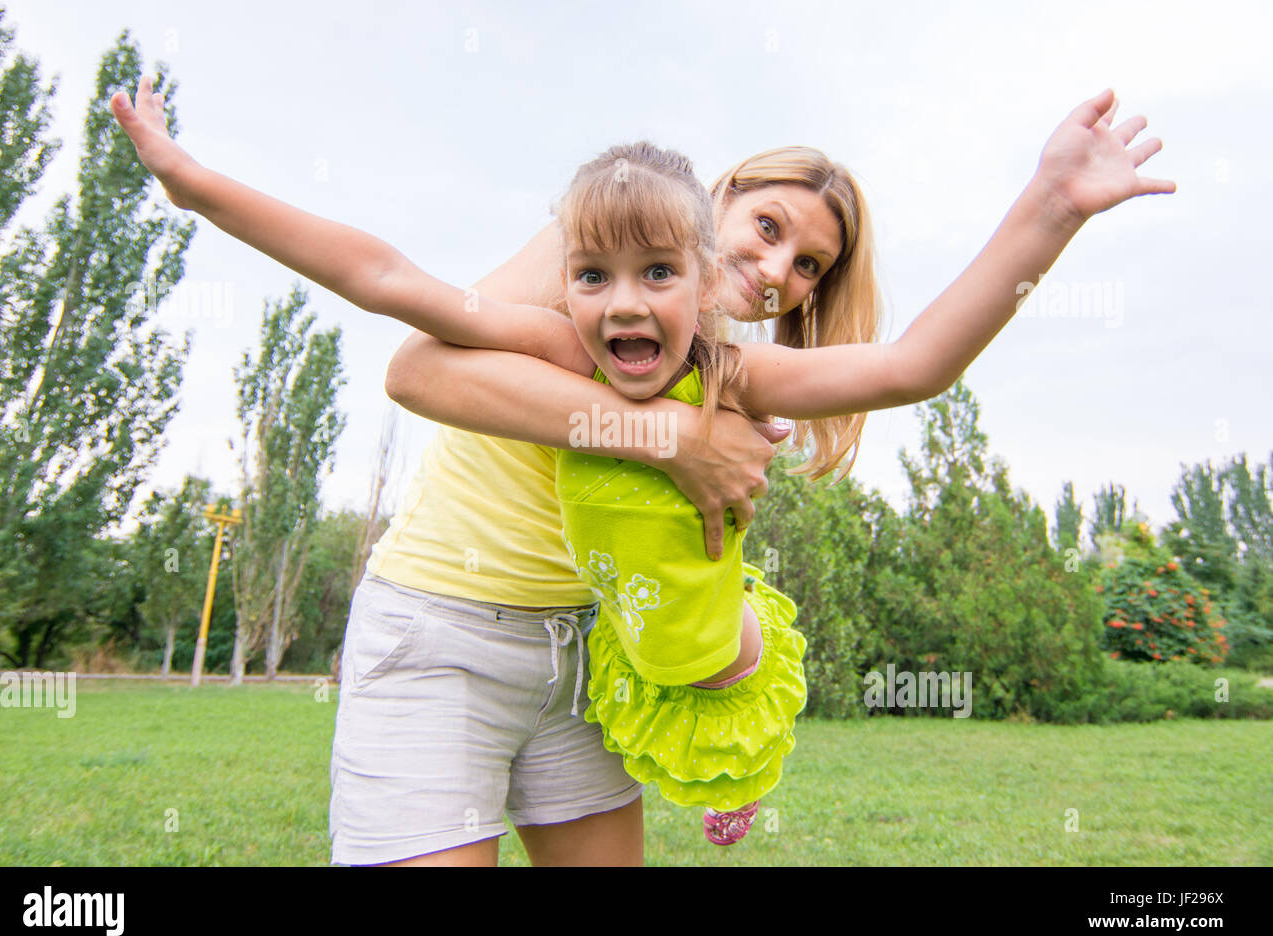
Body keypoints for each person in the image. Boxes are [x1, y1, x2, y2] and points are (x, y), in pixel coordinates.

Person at [111, 79, 1172, 861]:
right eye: (767, 230)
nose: (773, 273)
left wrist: (1054, 206)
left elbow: (910, 365)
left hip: (586, 661)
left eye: (806, 268)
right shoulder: (584, 297)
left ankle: (732, 739)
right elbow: (398, 311)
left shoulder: (738, 369)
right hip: (442, 631)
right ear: (723, 205)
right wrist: (193, 183)